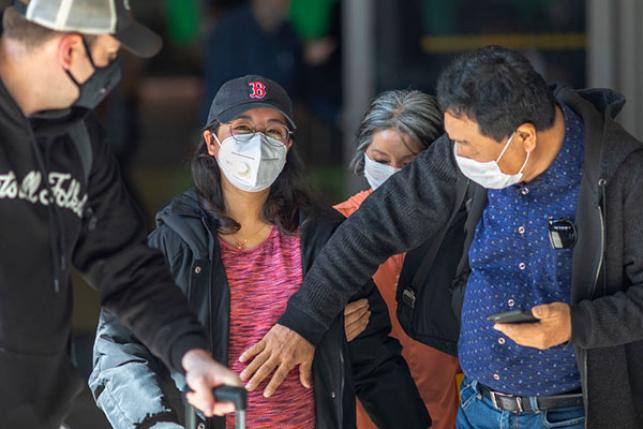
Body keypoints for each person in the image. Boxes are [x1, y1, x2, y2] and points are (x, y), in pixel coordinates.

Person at [239, 46, 643, 429]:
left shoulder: (622, 176)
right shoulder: (468, 150)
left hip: (573, 413)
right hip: (476, 407)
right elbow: (373, 227)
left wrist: (576, 324)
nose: (457, 155)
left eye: (467, 145)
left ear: (524, 138)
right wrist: (302, 321)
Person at [90, 75, 430, 429]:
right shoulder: (175, 245)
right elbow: (117, 349)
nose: (258, 142)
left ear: (288, 145)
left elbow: (374, 361)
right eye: (242, 127)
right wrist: (154, 423)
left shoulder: (325, 239)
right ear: (211, 141)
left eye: (273, 131)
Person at [0, 1, 239, 428]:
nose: (113, 77)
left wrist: (189, 355)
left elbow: (125, 264)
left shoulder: (79, 138)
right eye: (110, 58)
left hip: (34, 410)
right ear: (70, 51)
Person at [336, 90, 459, 429]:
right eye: (380, 159)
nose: (393, 173)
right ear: (363, 156)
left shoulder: (459, 232)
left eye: (408, 164)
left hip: (445, 415)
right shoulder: (336, 229)